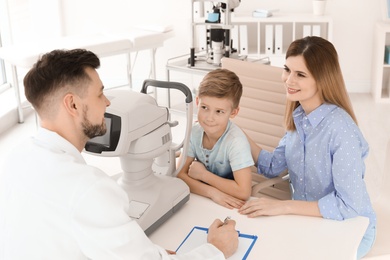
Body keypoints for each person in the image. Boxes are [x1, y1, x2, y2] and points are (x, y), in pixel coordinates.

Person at [0, 49, 239, 259]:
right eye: (100, 94)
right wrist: (216, 250)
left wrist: (140, 252)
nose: (106, 103)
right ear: (72, 105)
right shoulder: (88, 189)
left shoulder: (16, 156)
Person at [238, 36, 377, 259]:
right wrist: (235, 132)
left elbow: (349, 206)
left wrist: (284, 207)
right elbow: (272, 165)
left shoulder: (341, 131)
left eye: (300, 74)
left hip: (349, 227)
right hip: (308, 221)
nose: (288, 80)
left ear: (322, 80)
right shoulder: (299, 118)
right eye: (287, 70)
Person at [177, 68, 254, 209]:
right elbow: (180, 174)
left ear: (234, 112)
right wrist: (212, 193)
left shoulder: (236, 142)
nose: (209, 118)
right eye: (205, 107)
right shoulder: (194, 132)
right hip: (205, 199)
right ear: (197, 101)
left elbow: (243, 192)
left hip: (230, 204)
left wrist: (204, 175)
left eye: (219, 111)